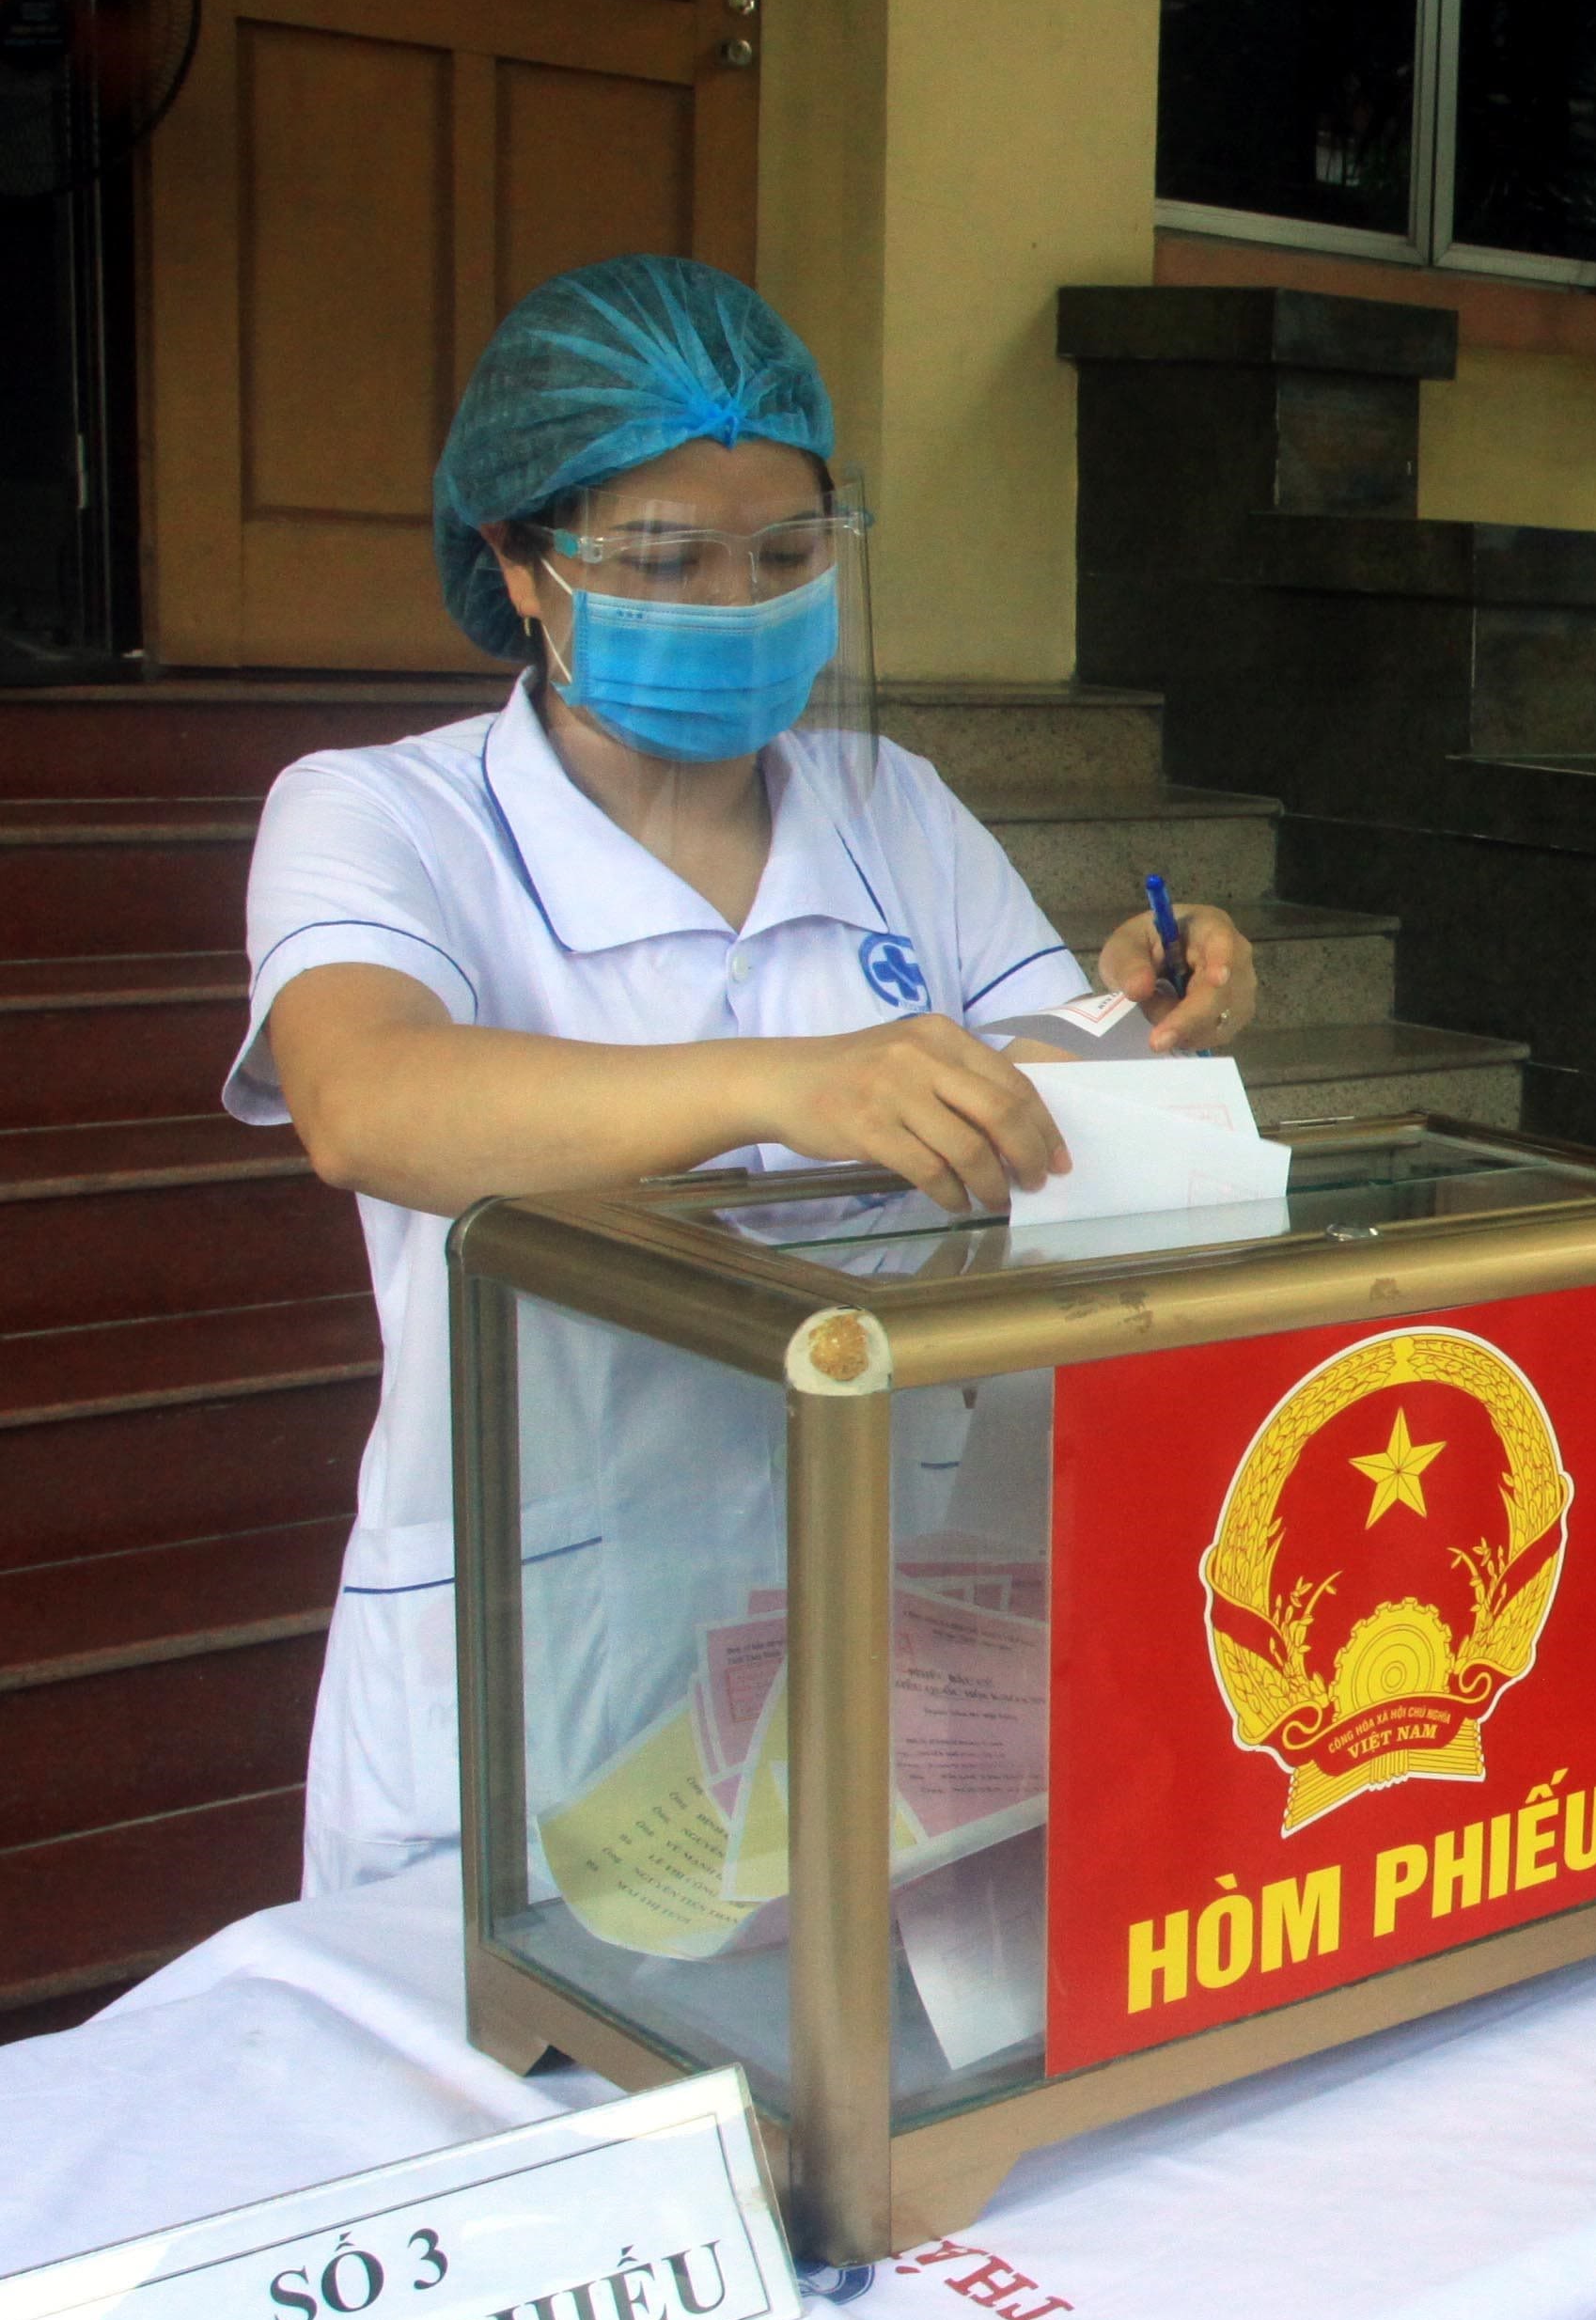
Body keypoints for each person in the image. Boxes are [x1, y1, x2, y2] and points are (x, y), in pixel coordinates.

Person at [225, 256, 1257, 1892]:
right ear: (519, 563)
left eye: (786, 555)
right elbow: (367, 1104)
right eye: (664, 559)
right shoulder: (379, 815)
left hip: (877, 1602)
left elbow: (1027, 1101)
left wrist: (1129, 1019)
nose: (735, 601)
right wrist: (780, 1083)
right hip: (541, 1649)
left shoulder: (890, 802)